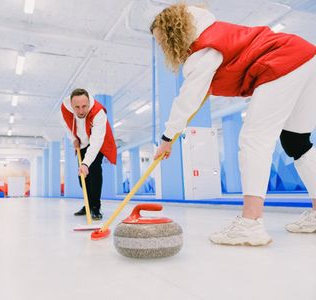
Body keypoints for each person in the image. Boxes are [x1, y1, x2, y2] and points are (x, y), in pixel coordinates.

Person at [151, 3, 316, 246]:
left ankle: (250, 224)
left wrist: (166, 140)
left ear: (172, 32)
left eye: (161, 39)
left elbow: (185, 101)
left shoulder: (202, 49)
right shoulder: (214, 33)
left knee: (253, 139)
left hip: (283, 61)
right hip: (307, 56)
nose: (162, 46)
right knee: (296, 142)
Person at [61, 88, 117, 220]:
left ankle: (96, 207)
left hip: (96, 143)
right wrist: (73, 139)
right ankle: (88, 204)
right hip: (81, 143)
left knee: (94, 170)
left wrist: (86, 163)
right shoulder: (65, 107)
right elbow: (65, 123)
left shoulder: (98, 113)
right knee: (82, 177)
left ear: (88, 102)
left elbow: (97, 141)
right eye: (77, 107)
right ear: (71, 104)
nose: (81, 111)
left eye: (84, 106)